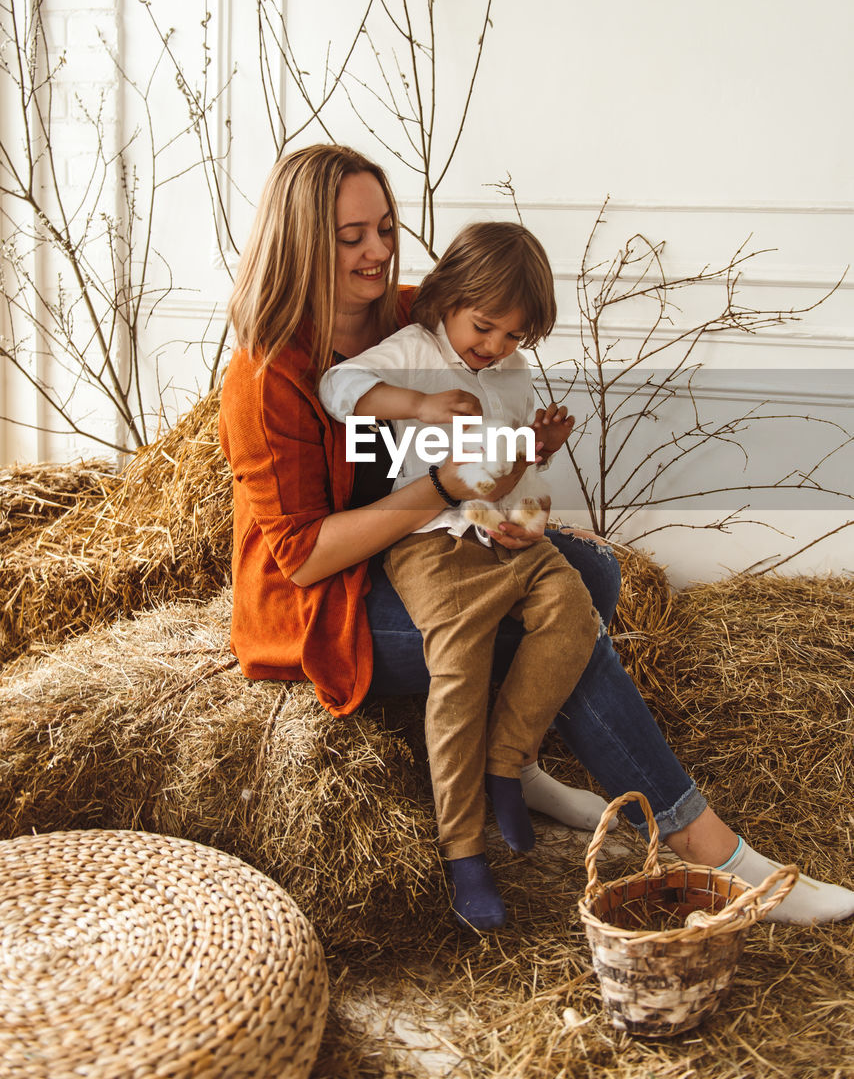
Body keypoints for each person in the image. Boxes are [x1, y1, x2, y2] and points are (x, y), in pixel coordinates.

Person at [218, 142, 854, 932]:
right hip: (321, 598)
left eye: (385, 227)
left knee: (591, 577)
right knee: (543, 625)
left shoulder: (419, 312)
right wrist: (449, 489)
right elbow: (304, 556)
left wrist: (517, 482)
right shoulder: (266, 372)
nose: (378, 251)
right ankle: (710, 847)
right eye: (351, 237)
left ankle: (512, 760)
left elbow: (492, 422)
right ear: (302, 241)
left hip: (422, 541)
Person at [318, 221, 603, 928]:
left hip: (499, 531)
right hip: (429, 541)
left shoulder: (510, 372)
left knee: (573, 609)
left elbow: (499, 468)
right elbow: (336, 385)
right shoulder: (413, 352)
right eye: (485, 328)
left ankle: (507, 764)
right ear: (450, 295)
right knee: (460, 666)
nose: (497, 347)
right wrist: (415, 403)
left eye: (514, 337)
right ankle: (464, 853)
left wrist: (533, 453)